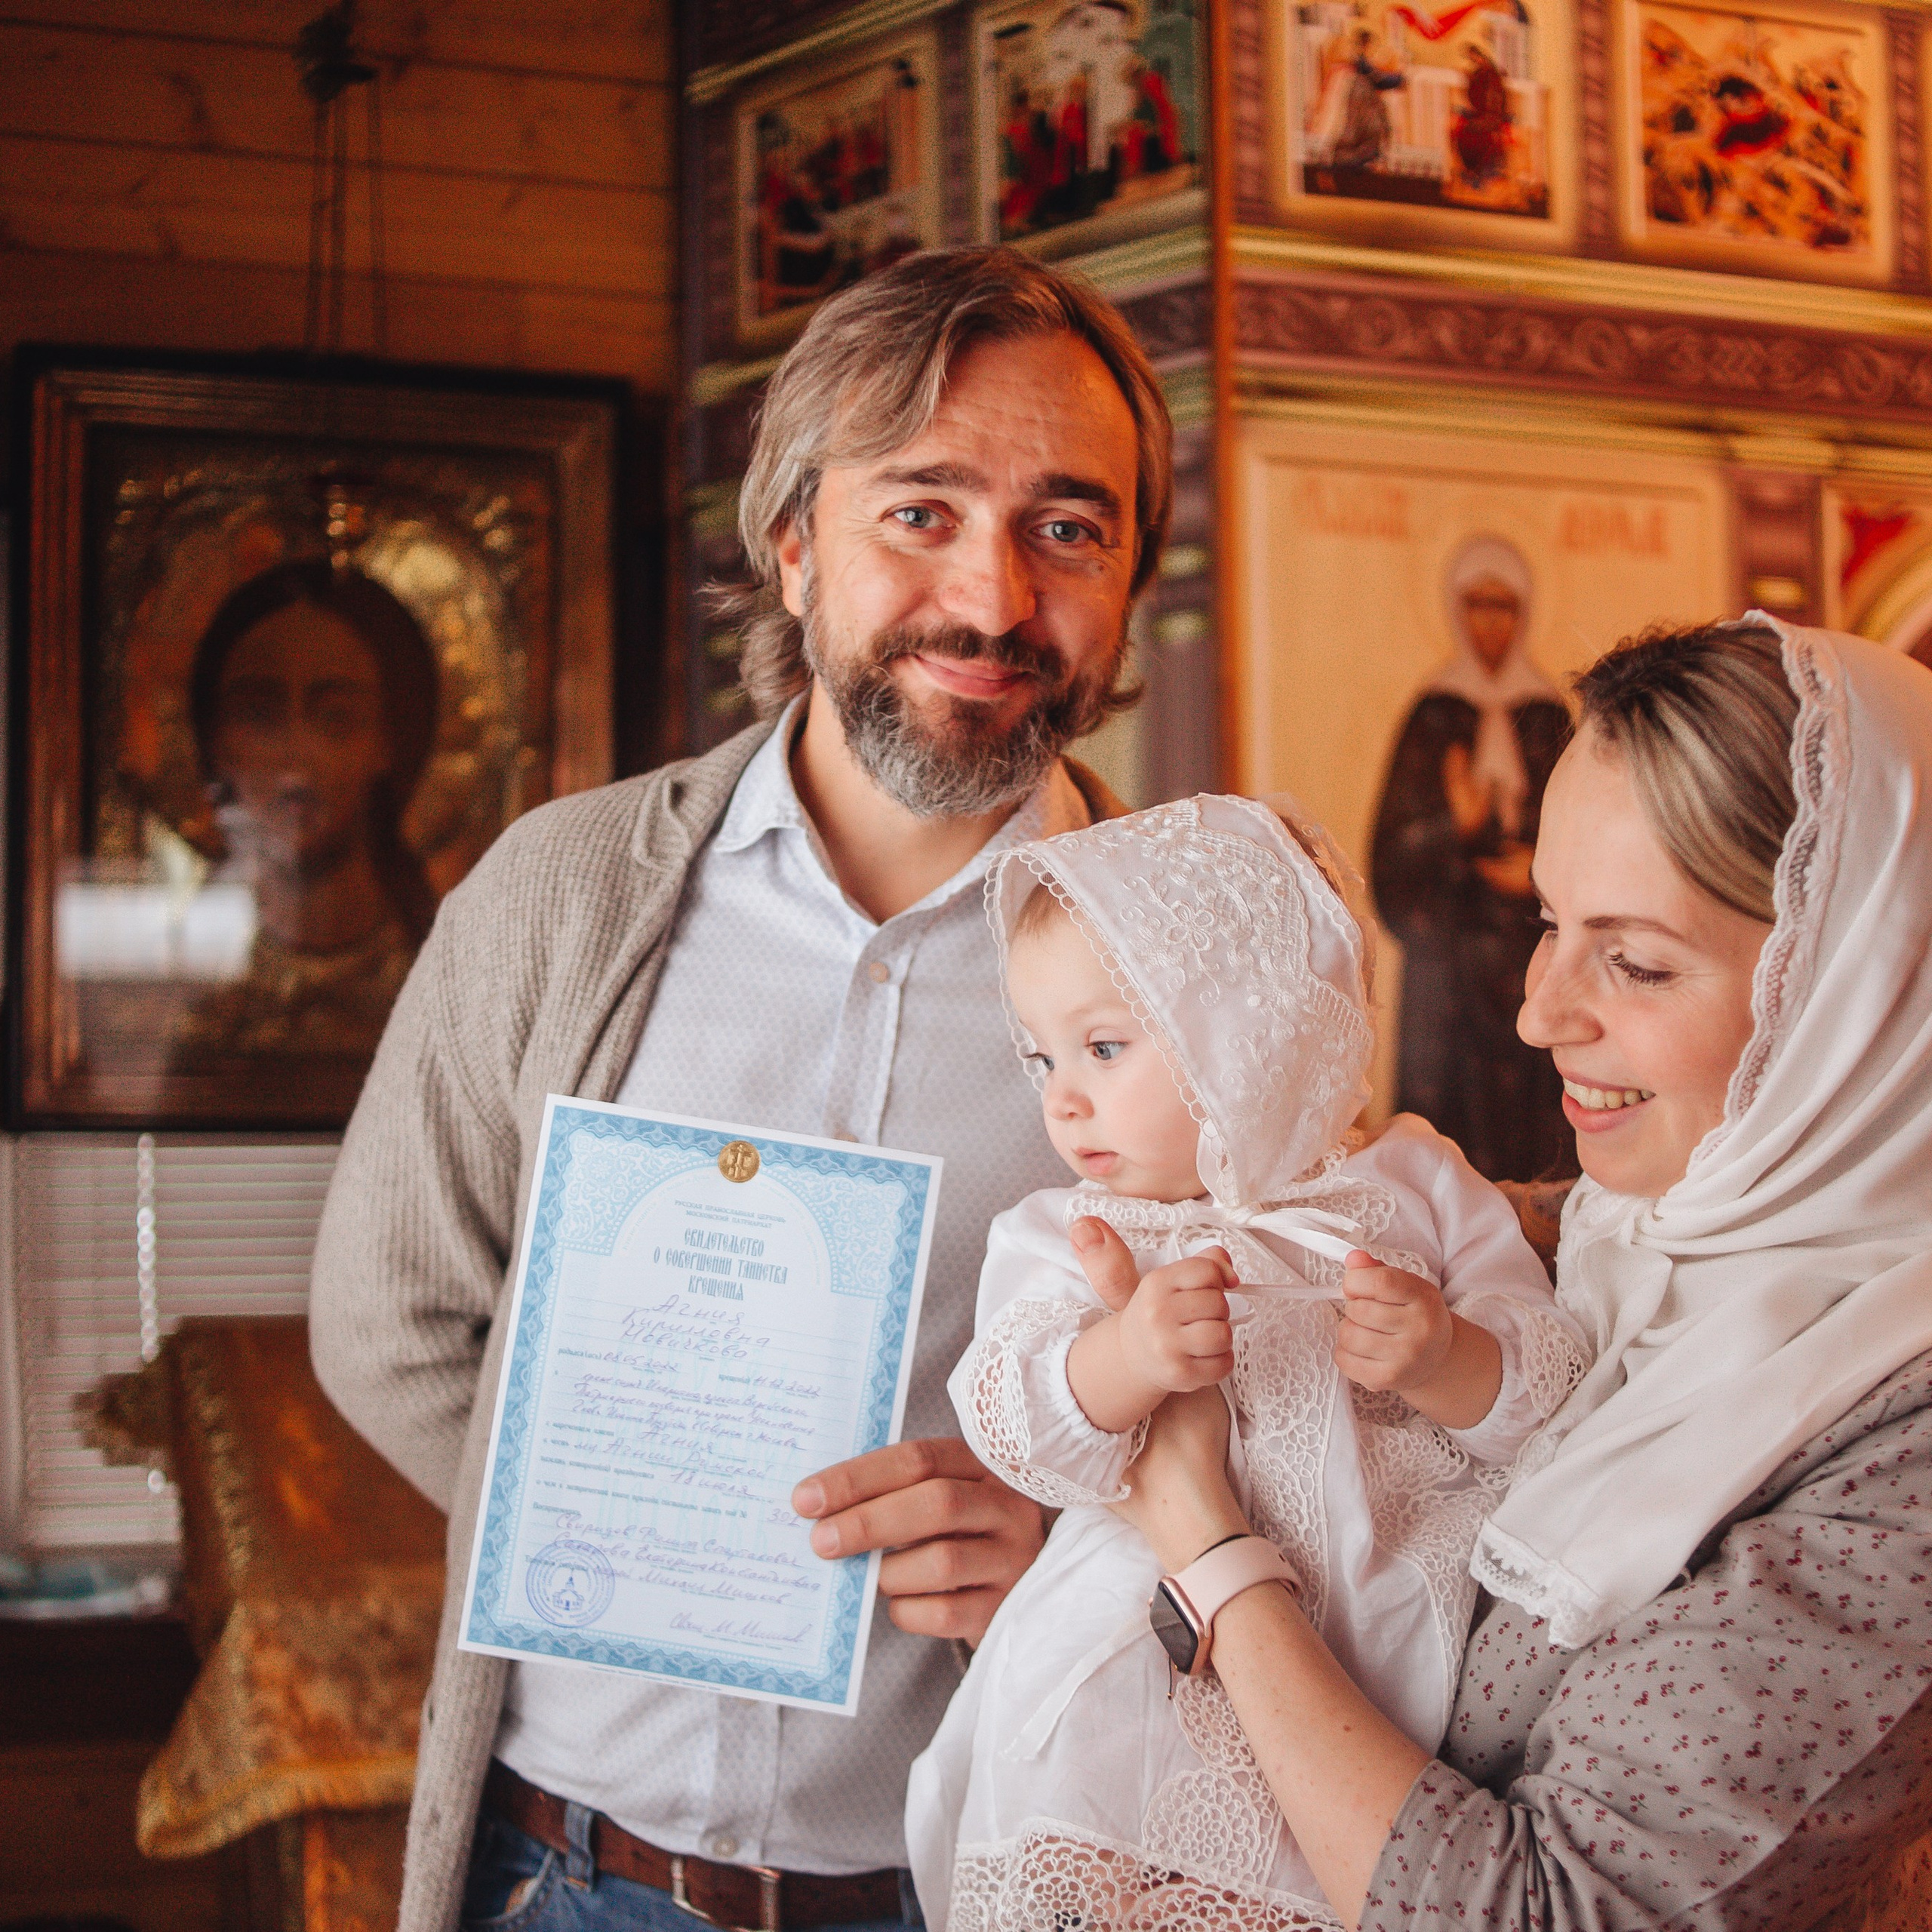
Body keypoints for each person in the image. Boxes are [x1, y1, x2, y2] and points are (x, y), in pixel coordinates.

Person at [307, 245, 1174, 1932]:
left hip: (963, 1889)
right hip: (566, 1875)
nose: (992, 598)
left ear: (1130, 572)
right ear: (792, 544)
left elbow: (1298, 1437)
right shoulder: (561, 894)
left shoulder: (1204, 964)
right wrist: (617, 1513)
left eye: (1067, 526)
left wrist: (1079, 1550)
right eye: (918, 511)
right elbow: (389, 1313)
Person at [1100, 617, 1932, 1929]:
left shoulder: (1901, 1448)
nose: (1538, 1011)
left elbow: (1543, 1913)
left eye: (1639, 961)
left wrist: (1206, 1552)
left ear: (1860, 999)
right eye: (1549, 920)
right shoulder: (1578, 1240)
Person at [903, 795, 1586, 1929]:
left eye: (1106, 1046)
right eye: (1042, 1056)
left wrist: (1444, 1357)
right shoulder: (1071, 1235)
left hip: (1367, 1661)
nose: (1062, 1097)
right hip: (1137, 1656)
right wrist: (1120, 1361)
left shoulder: (1413, 1187)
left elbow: (1550, 1387)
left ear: (1248, 1030)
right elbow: (1011, 1422)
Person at [180, 558, 439, 1060]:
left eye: (336, 718)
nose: (296, 757)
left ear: (387, 741)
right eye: (260, 715)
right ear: (213, 739)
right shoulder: (175, 989)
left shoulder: (441, 981)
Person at [1371, 535, 1571, 1180]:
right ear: (1456, 611)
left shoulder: (1547, 717)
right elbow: (1393, 860)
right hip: (1448, 975)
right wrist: (1451, 827)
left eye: (1504, 606)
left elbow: (1585, 836)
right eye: (1478, 605)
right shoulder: (1433, 718)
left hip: (1529, 959)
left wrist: (1538, 870)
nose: (1490, 622)